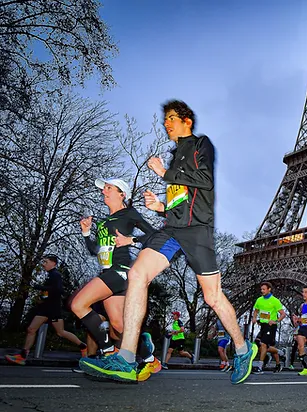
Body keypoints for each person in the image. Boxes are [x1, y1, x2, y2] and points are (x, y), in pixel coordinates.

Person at [79, 100, 257, 384]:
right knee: (138, 273)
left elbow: (205, 181)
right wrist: (160, 206)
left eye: (171, 118)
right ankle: (126, 358)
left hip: (197, 230)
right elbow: (182, 200)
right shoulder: (175, 156)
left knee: (212, 297)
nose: (166, 123)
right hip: (173, 228)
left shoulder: (201, 144)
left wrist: (164, 173)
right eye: (165, 119)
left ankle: (242, 347)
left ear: (187, 120)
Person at [71, 178, 160, 379]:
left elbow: (154, 235)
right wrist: (86, 233)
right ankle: (148, 357)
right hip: (107, 274)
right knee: (119, 326)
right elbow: (95, 250)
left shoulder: (129, 214)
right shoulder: (102, 222)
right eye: (104, 189)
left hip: (120, 271)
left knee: (78, 304)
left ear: (122, 194)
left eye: (109, 188)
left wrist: (132, 239)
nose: (104, 191)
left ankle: (109, 351)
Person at [6, 255, 87, 365]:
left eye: (46, 262)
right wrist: (42, 297)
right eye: (43, 262)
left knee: (60, 332)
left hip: (53, 309)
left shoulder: (55, 275)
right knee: (31, 329)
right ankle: (22, 356)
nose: (43, 264)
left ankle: (83, 346)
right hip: (45, 308)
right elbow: (48, 292)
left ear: (53, 263)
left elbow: (57, 290)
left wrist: (40, 287)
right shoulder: (50, 275)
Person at [252, 282, 286, 373]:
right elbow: (256, 311)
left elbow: (283, 314)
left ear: (269, 289)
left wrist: (276, 321)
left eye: (264, 289)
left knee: (263, 344)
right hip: (262, 326)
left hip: (271, 326)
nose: (262, 291)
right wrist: (254, 318)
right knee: (259, 344)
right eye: (261, 289)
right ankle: (279, 354)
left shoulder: (275, 301)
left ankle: (260, 366)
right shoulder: (259, 300)